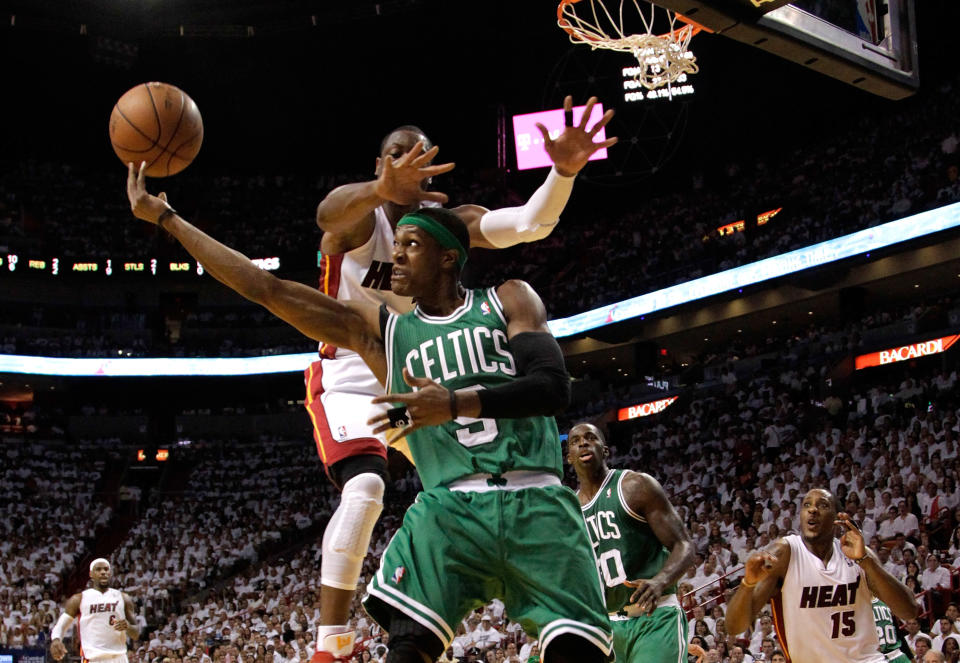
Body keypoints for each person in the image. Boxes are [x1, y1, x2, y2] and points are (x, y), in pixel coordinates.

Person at [125, 175, 613, 663]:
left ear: (448, 257)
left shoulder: (508, 297)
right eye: (395, 245)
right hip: (451, 511)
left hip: (540, 501)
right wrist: (169, 219)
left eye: (410, 245)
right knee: (405, 647)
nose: (395, 256)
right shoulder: (381, 334)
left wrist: (453, 404)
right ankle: (330, 642)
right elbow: (266, 288)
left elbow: (553, 387)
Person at [303, 97, 616, 662]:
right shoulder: (359, 218)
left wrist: (563, 172)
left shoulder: (448, 227)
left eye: (417, 151)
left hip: (425, 377)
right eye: (394, 154)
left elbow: (528, 223)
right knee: (368, 485)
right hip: (352, 371)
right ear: (379, 165)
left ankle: (432, 632)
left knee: (452, 501)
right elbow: (327, 216)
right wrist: (382, 189)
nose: (406, 161)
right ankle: (330, 643)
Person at [725, 488, 919, 663]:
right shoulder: (786, 552)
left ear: (838, 518)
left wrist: (866, 561)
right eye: (807, 505)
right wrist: (747, 583)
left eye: (823, 505)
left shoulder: (859, 553)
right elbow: (734, 627)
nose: (813, 510)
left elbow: (909, 611)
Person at [566, 423, 695, 663]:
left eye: (590, 438)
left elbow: (685, 546)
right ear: (569, 457)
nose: (583, 443)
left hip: (654, 616)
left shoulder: (635, 486)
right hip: (606, 626)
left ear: (605, 450)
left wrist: (660, 581)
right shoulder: (569, 511)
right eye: (575, 441)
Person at [50, 559, 139, 662]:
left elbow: (136, 634)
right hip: (93, 659)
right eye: (98, 569)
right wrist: (56, 639)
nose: (103, 572)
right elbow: (61, 625)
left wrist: (127, 626)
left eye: (106, 569)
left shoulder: (123, 598)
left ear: (109, 573)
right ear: (91, 574)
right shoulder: (79, 598)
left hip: (119, 658)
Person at [871, 597, 913, 662]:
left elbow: (898, 634)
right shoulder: (857, 608)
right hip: (875, 658)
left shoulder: (885, 602)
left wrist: (911, 657)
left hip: (897, 654)